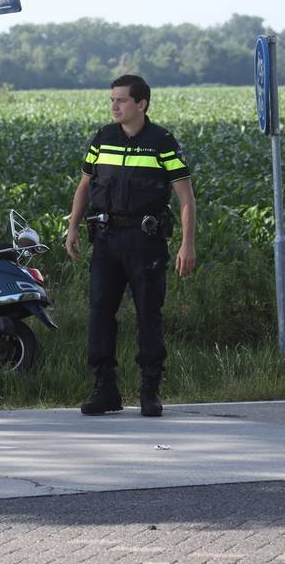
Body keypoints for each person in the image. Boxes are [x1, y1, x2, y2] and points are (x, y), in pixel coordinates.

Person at [64, 74, 197, 417]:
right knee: (100, 313)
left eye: (121, 100)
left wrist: (187, 245)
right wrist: (72, 227)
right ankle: (104, 389)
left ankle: (150, 390)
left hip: (145, 241)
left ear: (142, 104)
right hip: (106, 239)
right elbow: (84, 186)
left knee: (148, 314)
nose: (115, 106)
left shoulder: (162, 142)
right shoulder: (103, 138)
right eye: (112, 100)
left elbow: (186, 198)